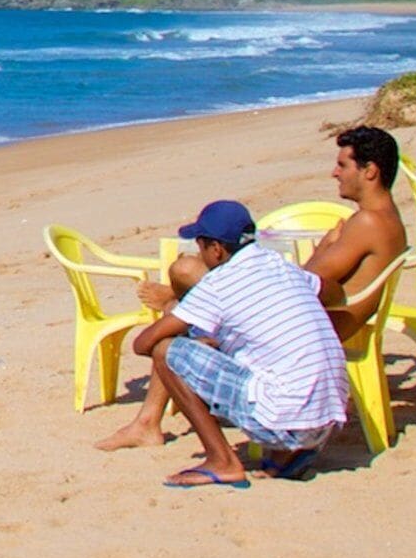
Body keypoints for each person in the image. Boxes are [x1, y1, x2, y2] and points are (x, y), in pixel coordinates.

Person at [94, 199, 349, 488]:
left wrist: (192, 328)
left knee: (167, 351)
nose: (199, 255)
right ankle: (286, 455)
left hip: (288, 420)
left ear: (216, 249)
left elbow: (143, 344)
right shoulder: (281, 266)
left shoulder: (217, 285)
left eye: (201, 247)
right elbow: (335, 294)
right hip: (329, 419)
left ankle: (221, 460)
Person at [310, 126, 412, 341]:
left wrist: (323, 247)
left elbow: (304, 281)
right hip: (340, 324)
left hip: (323, 333)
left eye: (342, 165)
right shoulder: (389, 216)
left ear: (370, 171)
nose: (335, 173)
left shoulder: (369, 222)